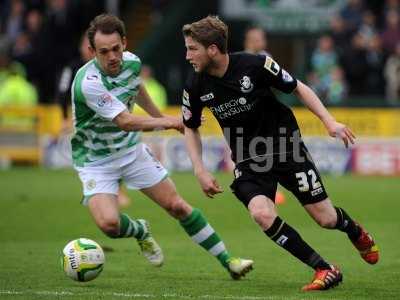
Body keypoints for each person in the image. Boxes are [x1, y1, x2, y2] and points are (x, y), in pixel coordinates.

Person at [181, 16, 379, 291]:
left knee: (326, 219)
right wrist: (199, 169)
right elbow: (190, 127)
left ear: (212, 49)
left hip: (285, 145)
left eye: (192, 48)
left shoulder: (255, 65)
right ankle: (324, 268)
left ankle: (354, 231)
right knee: (261, 214)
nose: (187, 55)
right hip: (248, 157)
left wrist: (329, 121)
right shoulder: (195, 84)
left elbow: (298, 87)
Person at [70, 13, 253, 278]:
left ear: (124, 42)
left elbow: (137, 88)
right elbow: (125, 121)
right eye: (104, 52)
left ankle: (229, 260)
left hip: (131, 152)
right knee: (109, 224)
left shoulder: (131, 63)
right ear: (91, 51)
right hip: (95, 160)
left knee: (177, 206)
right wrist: (170, 122)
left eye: (116, 49)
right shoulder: (88, 84)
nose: (112, 57)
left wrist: (158, 117)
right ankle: (139, 230)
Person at [56, 32, 131, 207]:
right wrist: (65, 118)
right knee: (95, 154)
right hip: (85, 121)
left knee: (115, 150)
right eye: (84, 45)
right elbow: (62, 93)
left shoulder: (108, 67)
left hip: (108, 117)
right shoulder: (73, 68)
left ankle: (116, 191)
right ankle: (98, 191)